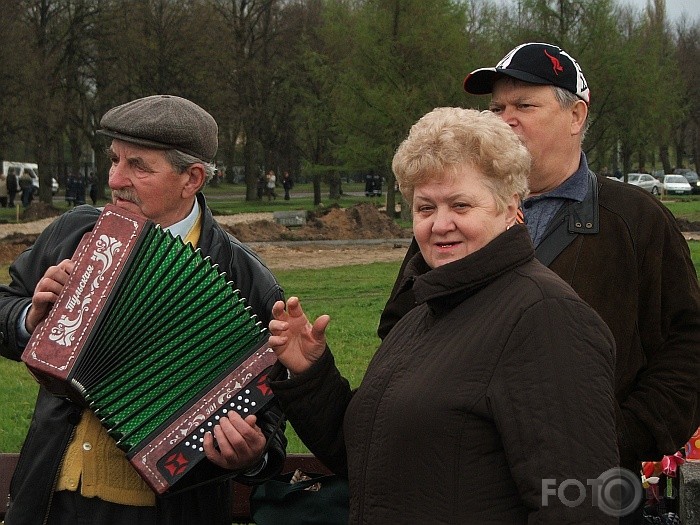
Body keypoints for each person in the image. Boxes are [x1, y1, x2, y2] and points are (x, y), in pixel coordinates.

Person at [378, 42, 700, 502]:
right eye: (496, 107)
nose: (504, 118)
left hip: (583, 492)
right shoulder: (456, 217)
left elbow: (687, 344)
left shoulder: (636, 219)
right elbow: (400, 327)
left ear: (576, 116)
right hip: (466, 486)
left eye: (524, 105)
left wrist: (619, 436)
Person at [267, 107, 619, 523]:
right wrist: (311, 375)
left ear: (510, 208)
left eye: (461, 205)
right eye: (425, 208)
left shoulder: (546, 317)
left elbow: (581, 507)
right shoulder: (424, 311)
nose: (440, 224)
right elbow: (369, 459)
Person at [0, 94, 287, 525]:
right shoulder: (75, 230)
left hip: (163, 513)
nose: (115, 179)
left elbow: (270, 424)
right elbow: (6, 305)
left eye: (138, 166)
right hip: (51, 501)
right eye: (113, 160)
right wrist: (30, 320)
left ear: (191, 178)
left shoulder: (244, 280)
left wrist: (251, 455)